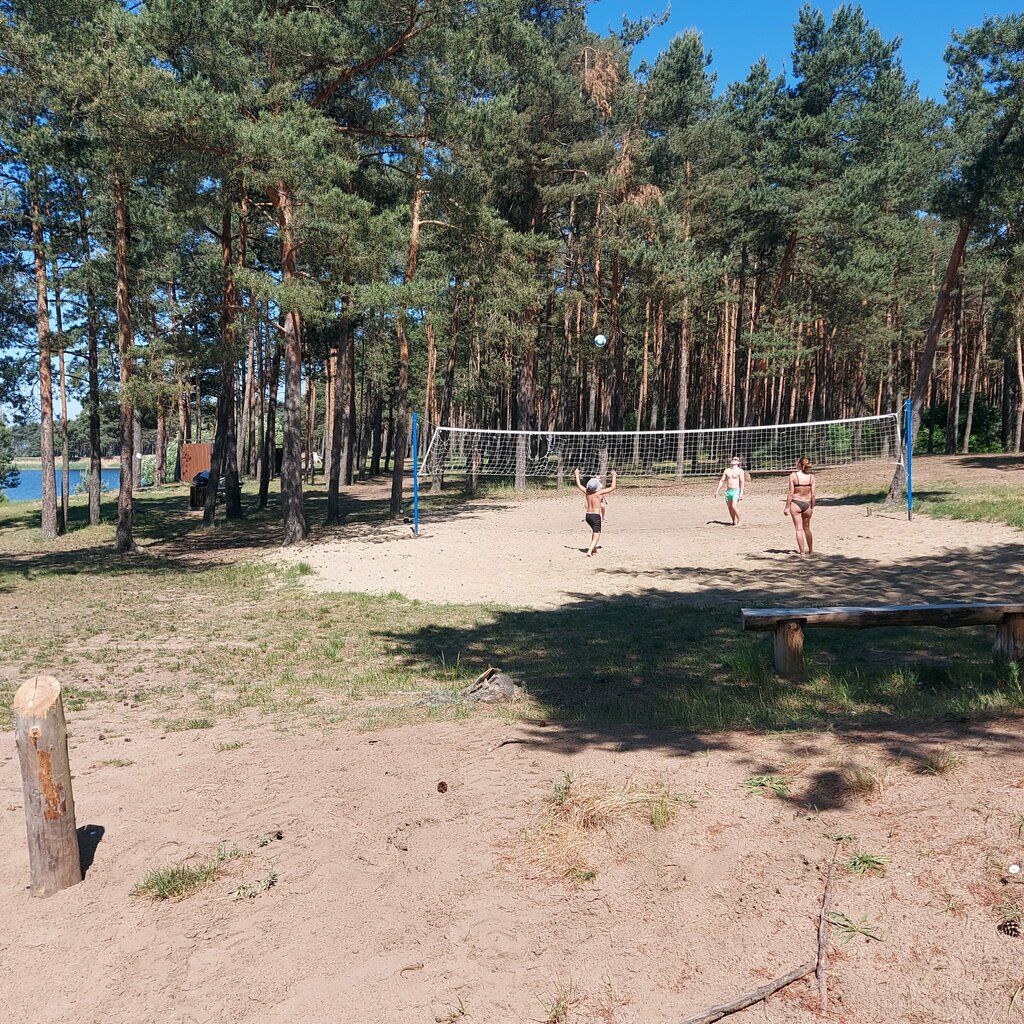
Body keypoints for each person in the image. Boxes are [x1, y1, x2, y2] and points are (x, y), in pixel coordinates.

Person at [574, 468, 617, 557]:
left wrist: (577, 474)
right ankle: (590, 551)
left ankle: (594, 549)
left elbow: (579, 485)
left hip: (588, 516)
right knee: (597, 534)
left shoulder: (587, 492)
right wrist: (614, 476)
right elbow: (613, 487)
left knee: (594, 532)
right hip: (595, 516)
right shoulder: (599, 493)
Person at [784, 457, 815, 556]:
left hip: (796, 503)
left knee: (798, 529)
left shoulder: (793, 476)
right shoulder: (811, 477)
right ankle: (810, 550)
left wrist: (787, 507)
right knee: (807, 528)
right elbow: (813, 494)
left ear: (799, 465)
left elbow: (790, 493)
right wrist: (812, 507)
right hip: (807, 504)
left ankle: (802, 552)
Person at [714, 456, 745, 525]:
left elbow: (742, 482)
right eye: (733, 459)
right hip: (728, 491)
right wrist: (717, 491)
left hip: (736, 490)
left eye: (735, 459)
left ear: (738, 462)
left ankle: (740, 521)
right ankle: (734, 521)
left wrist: (741, 493)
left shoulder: (740, 471)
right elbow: (722, 480)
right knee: (730, 507)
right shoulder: (727, 470)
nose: (733, 460)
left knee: (734, 506)